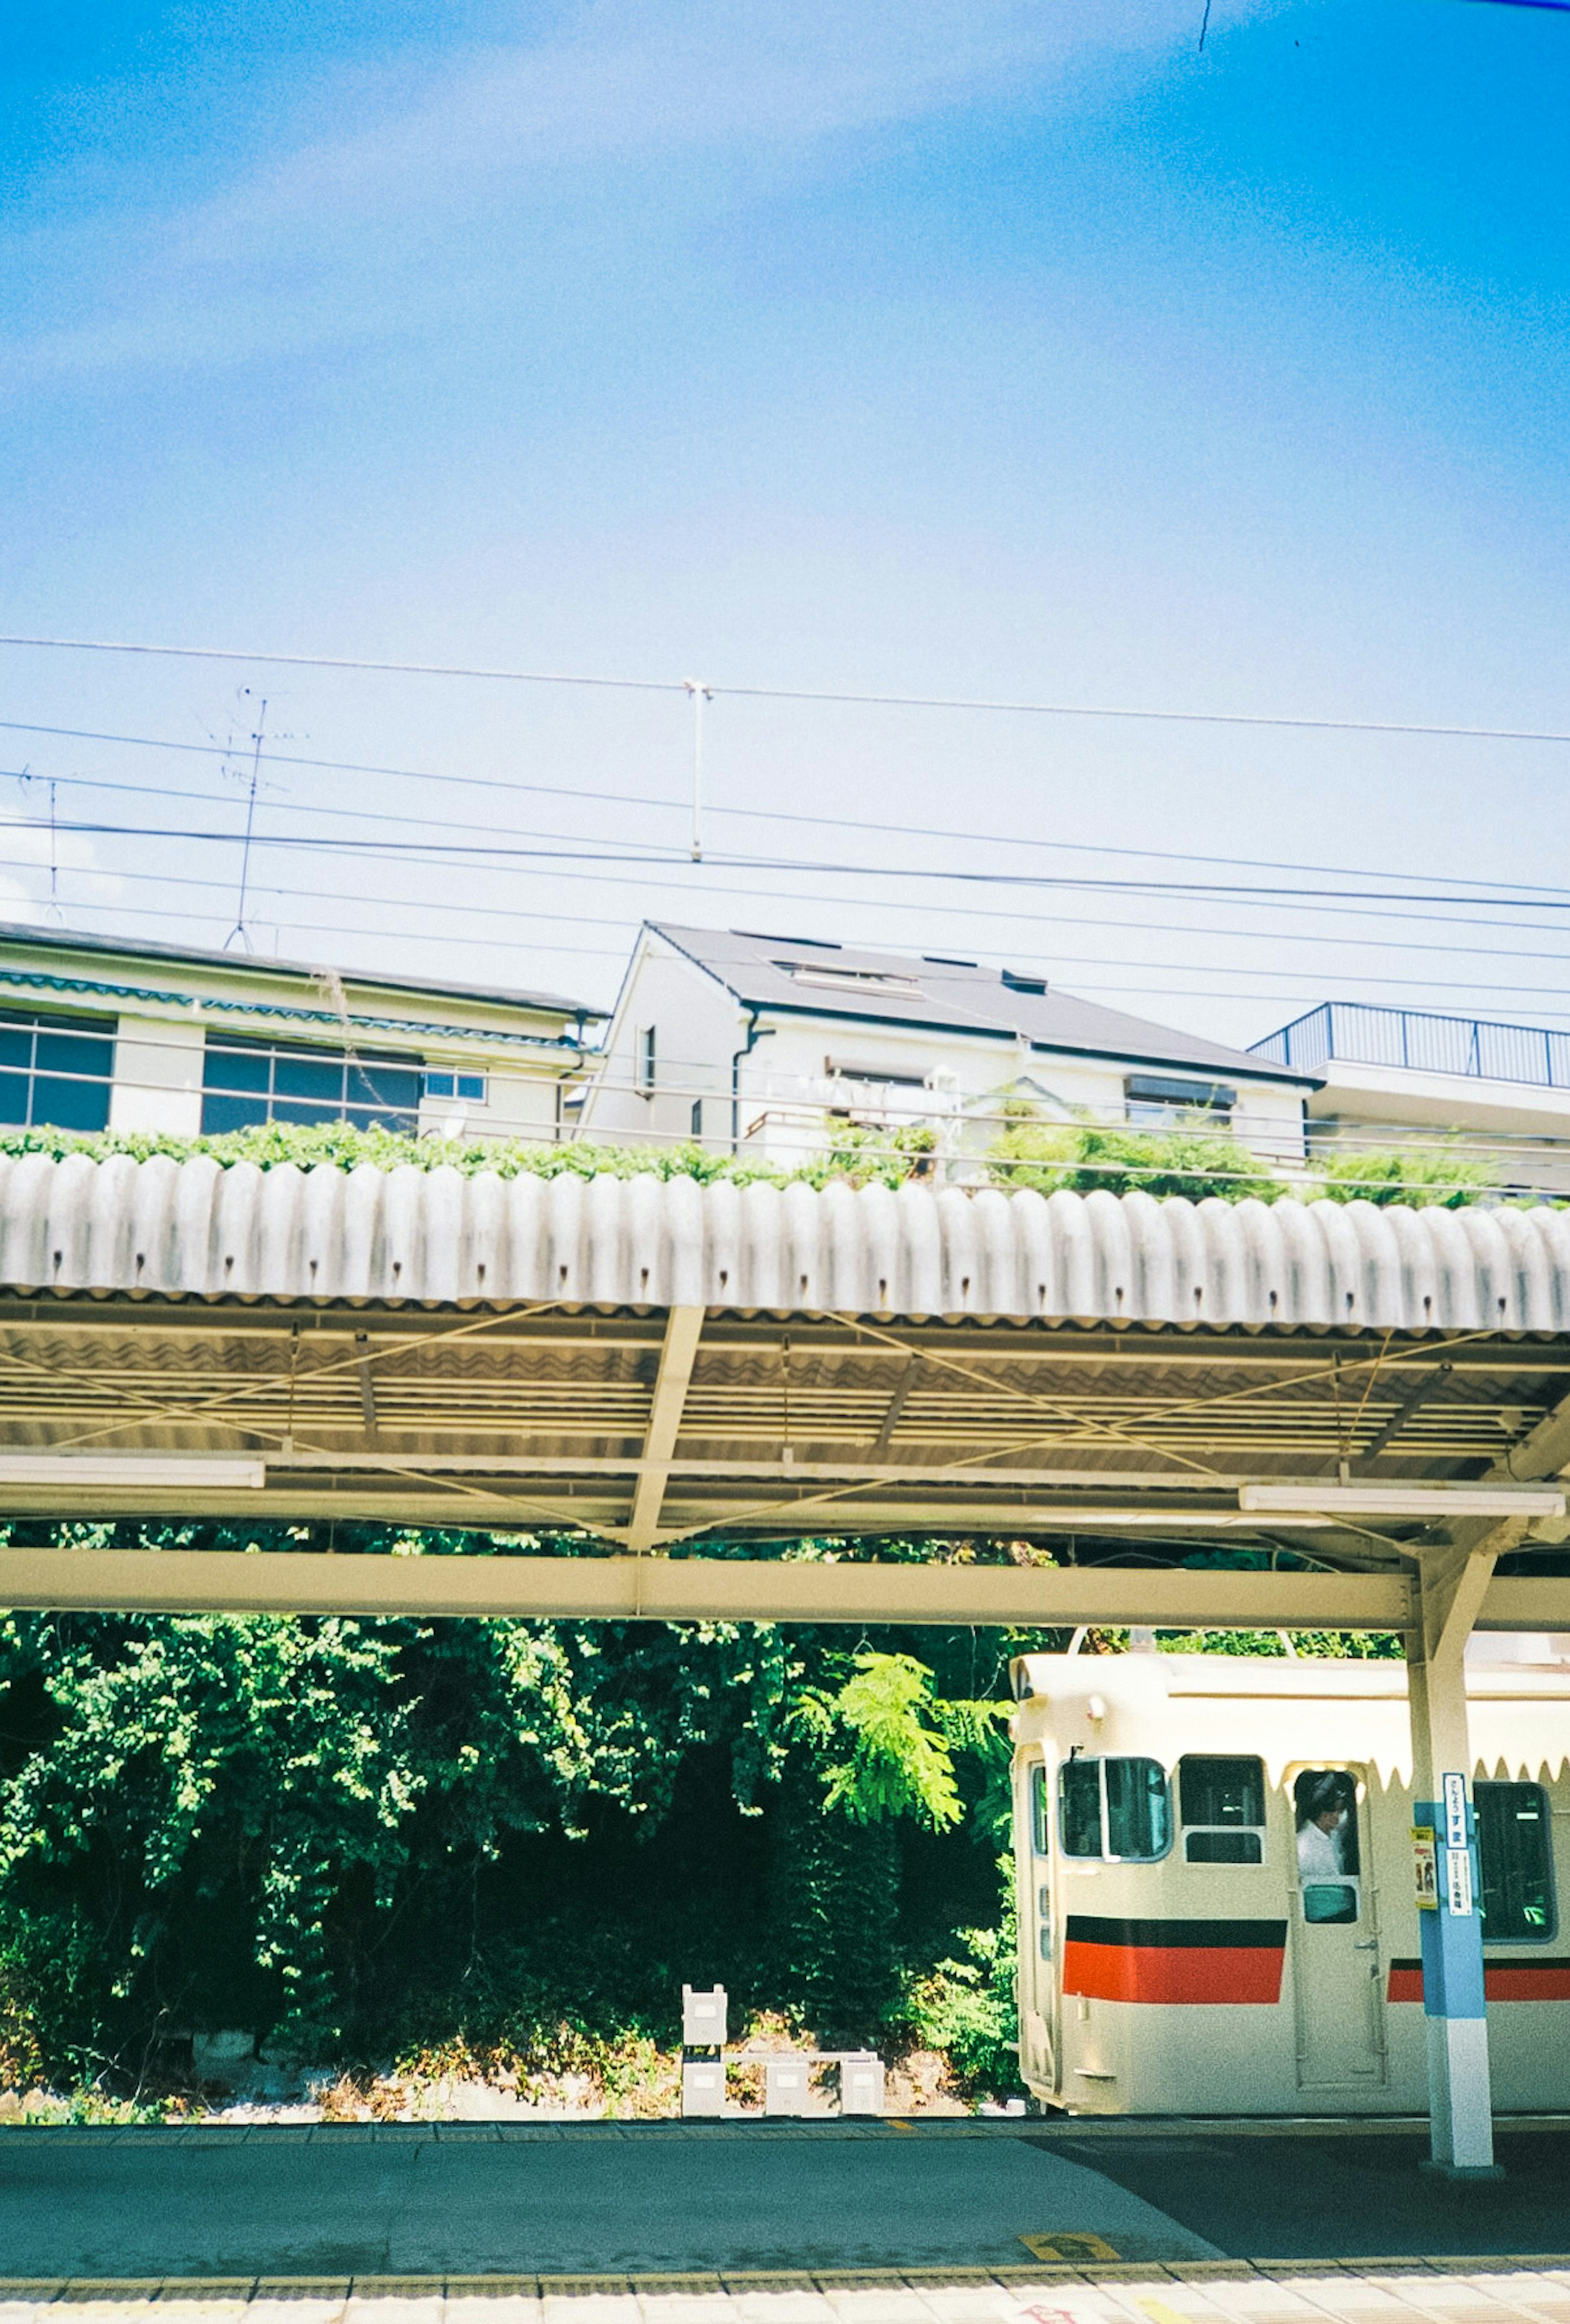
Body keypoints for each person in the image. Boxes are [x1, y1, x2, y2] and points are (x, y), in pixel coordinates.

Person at [1295, 1771, 1351, 1879]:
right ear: (1324, 1814)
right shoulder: (1303, 1843)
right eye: (1338, 1811)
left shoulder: (1335, 1835)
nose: (1340, 1816)